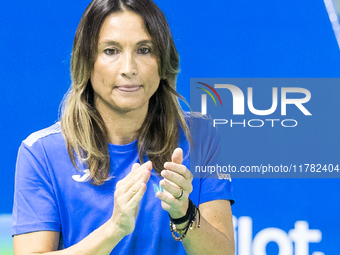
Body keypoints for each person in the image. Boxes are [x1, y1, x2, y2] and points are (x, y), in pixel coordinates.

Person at [12, 0, 235, 254]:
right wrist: (115, 228)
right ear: (87, 61)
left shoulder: (200, 135)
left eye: (144, 49)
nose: (128, 69)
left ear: (163, 61)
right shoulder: (40, 152)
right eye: (110, 51)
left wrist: (183, 213)